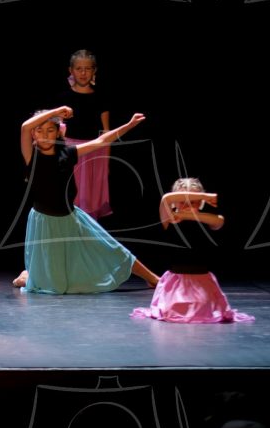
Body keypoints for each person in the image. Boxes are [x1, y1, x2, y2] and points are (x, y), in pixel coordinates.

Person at [14, 106, 161, 293]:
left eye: (50, 130)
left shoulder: (68, 153)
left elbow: (102, 141)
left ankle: (153, 278)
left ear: (58, 133)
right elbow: (25, 127)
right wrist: (56, 112)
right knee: (55, 287)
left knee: (113, 248)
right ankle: (27, 276)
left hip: (71, 218)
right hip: (45, 224)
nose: (44, 135)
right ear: (34, 134)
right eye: (39, 130)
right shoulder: (31, 156)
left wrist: (129, 125)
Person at [132, 178, 253, 323]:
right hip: (177, 283)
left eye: (193, 201)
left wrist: (183, 214)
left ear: (201, 203)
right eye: (182, 200)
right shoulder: (168, 219)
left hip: (202, 281)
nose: (188, 204)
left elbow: (219, 221)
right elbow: (166, 199)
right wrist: (204, 196)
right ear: (175, 202)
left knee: (204, 310)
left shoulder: (208, 219)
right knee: (175, 311)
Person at [60, 49, 112, 219]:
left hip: (95, 150)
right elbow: (57, 129)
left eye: (87, 68)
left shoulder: (101, 97)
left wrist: (106, 160)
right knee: (72, 193)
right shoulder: (64, 97)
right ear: (71, 70)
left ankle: (87, 228)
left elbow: (106, 132)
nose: (83, 73)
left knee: (91, 195)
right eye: (79, 68)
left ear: (94, 70)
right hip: (71, 150)